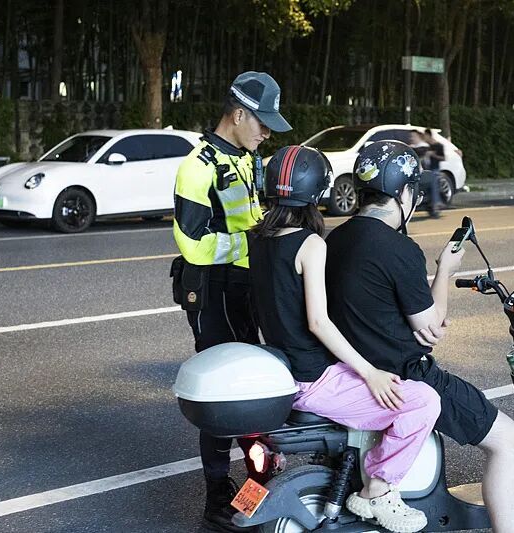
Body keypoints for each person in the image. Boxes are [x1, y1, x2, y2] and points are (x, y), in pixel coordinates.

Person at [325, 141, 514, 533]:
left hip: (351, 370)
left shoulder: (335, 239)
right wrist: (445, 271)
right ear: (404, 193)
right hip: (404, 375)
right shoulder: (399, 249)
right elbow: (431, 327)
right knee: (508, 438)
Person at [248, 145, 441, 533]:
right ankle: (379, 492)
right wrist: (370, 372)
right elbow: (319, 323)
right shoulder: (310, 243)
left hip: (283, 369)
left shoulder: (257, 239)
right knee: (422, 402)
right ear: (319, 191)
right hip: (313, 376)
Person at [171, 71, 292, 532]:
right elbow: (195, 245)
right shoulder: (197, 166)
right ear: (238, 114)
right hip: (213, 289)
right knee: (225, 390)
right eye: (261, 123)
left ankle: (257, 482)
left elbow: (252, 215)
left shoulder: (247, 158)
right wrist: (256, 243)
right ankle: (218, 498)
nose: (266, 133)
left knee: (255, 379)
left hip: (245, 284)